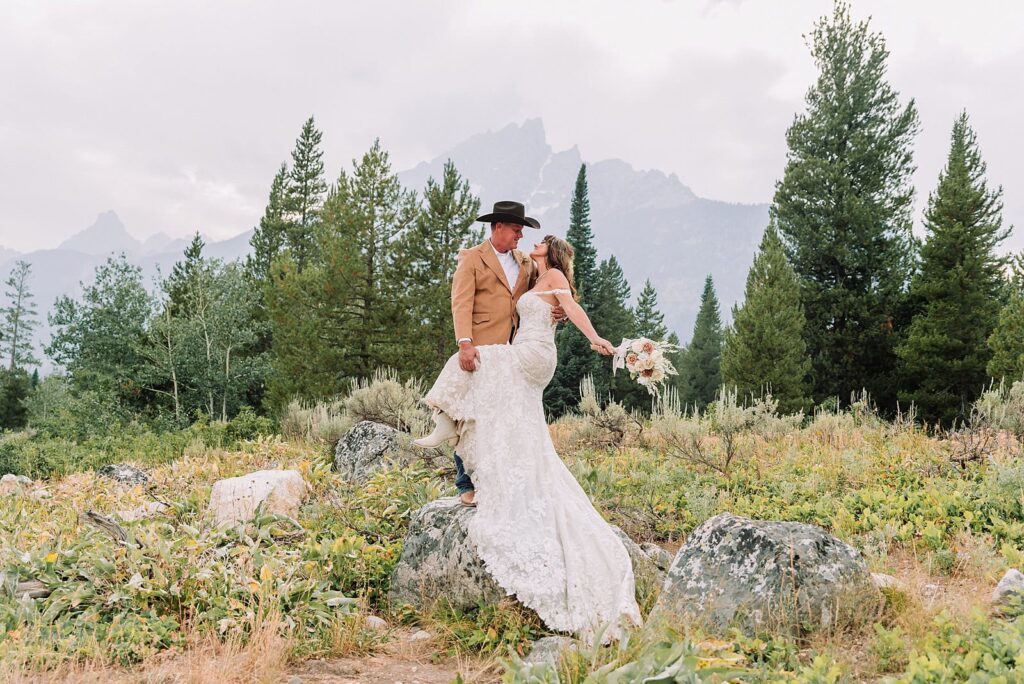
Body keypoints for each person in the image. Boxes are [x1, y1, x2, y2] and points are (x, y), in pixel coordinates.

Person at [414, 233, 643, 643]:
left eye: (537, 242)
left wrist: (594, 339)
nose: (529, 243)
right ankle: (458, 433)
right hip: (523, 347)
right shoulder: (528, 270)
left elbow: (570, 306)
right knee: (506, 413)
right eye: (524, 236)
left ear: (550, 252)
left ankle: (446, 418)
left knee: (474, 360)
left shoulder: (552, 272)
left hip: (535, 354)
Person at [414, 200, 561, 508]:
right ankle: (464, 482)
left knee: (500, 419)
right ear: (498, 227)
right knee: (471, 414)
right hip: (479, 347)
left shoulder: (525, 263)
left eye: (521, 231)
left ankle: (493, 481)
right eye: (516, 230)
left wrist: (556, 310)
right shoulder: (472, 258)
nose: (520, 236)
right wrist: (464, 343)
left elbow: (543, 292)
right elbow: (461, 302)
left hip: (512, 353)